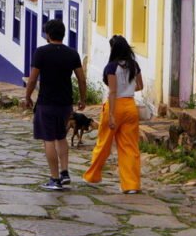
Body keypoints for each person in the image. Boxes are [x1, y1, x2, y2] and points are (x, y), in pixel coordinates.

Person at [23, 19, 87, 191]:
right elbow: (81, 79)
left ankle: (55, 178)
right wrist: (83, 99)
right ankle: (65, 172)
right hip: (65, 103)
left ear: (48, 34)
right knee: (61, 137)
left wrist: (27, 96)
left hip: (47, 102)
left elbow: (33, 79)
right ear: (63, 34)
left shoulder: (41, 53)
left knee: (49, 139)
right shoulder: (72, 54)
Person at [83, 35, 144, 194]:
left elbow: (113, 92)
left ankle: (93, 176)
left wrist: (111, 115)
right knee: (129, 147)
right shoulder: (134, 65)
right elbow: (140, 86)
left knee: (104, 143)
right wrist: (128, 89)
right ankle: (131, 185)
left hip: (115, 106)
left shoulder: (111, 67)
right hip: (130, 106)